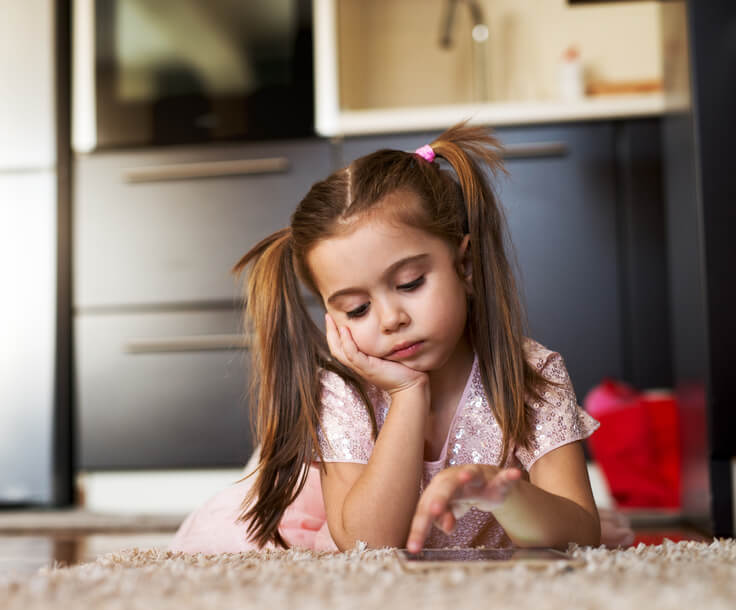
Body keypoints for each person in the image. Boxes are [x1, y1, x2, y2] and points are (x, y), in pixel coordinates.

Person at [170, 122, 632, 554]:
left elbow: (579, 533)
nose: (390, 319)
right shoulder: (340, 391)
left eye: (410, 283)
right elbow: (367, 547)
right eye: (357, 309)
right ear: (333, 316)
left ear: (464, 266)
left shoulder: (533, 375)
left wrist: (501, 492)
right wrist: (407, 395)